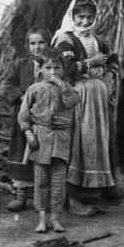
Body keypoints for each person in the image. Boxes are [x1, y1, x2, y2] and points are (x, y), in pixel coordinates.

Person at [52, 0, 121, 214]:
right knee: (78, 143)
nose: (84, 21)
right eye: (80, 17)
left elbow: (113, 59)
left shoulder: (96, 39)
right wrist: (91, 63)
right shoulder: (66, 39)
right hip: (76, 96)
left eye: (89, 17)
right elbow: (68, 69)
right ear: (72, 16)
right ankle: (73, 200)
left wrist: (108, 78)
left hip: (96, 98)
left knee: (94, 142)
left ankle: (92, 194)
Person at [17, 48, 80, 233]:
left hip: (61, 140)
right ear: (40, 69)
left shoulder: (67, 88)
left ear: (63, 69)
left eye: (57, 68)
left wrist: (61, 84)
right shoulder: (34, 89)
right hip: (40, 140)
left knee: (59, 183)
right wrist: (29, 135)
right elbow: (23, 117)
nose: (53, 72)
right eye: (49, 67)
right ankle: (42, 219)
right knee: (41, 181)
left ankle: (56, 219)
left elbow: (73, 101)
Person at [0, 26, 52, 212]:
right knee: (22, 153)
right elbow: (6, 85)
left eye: (41, 42)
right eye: (33, 43)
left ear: (48, 43)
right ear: (28, 45)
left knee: (43, 156)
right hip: (24, 118)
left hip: (47, 119)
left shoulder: (54, 64)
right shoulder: (20, 64)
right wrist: (23, 97)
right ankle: (21, 194)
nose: (37, 47)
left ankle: (41, 197)